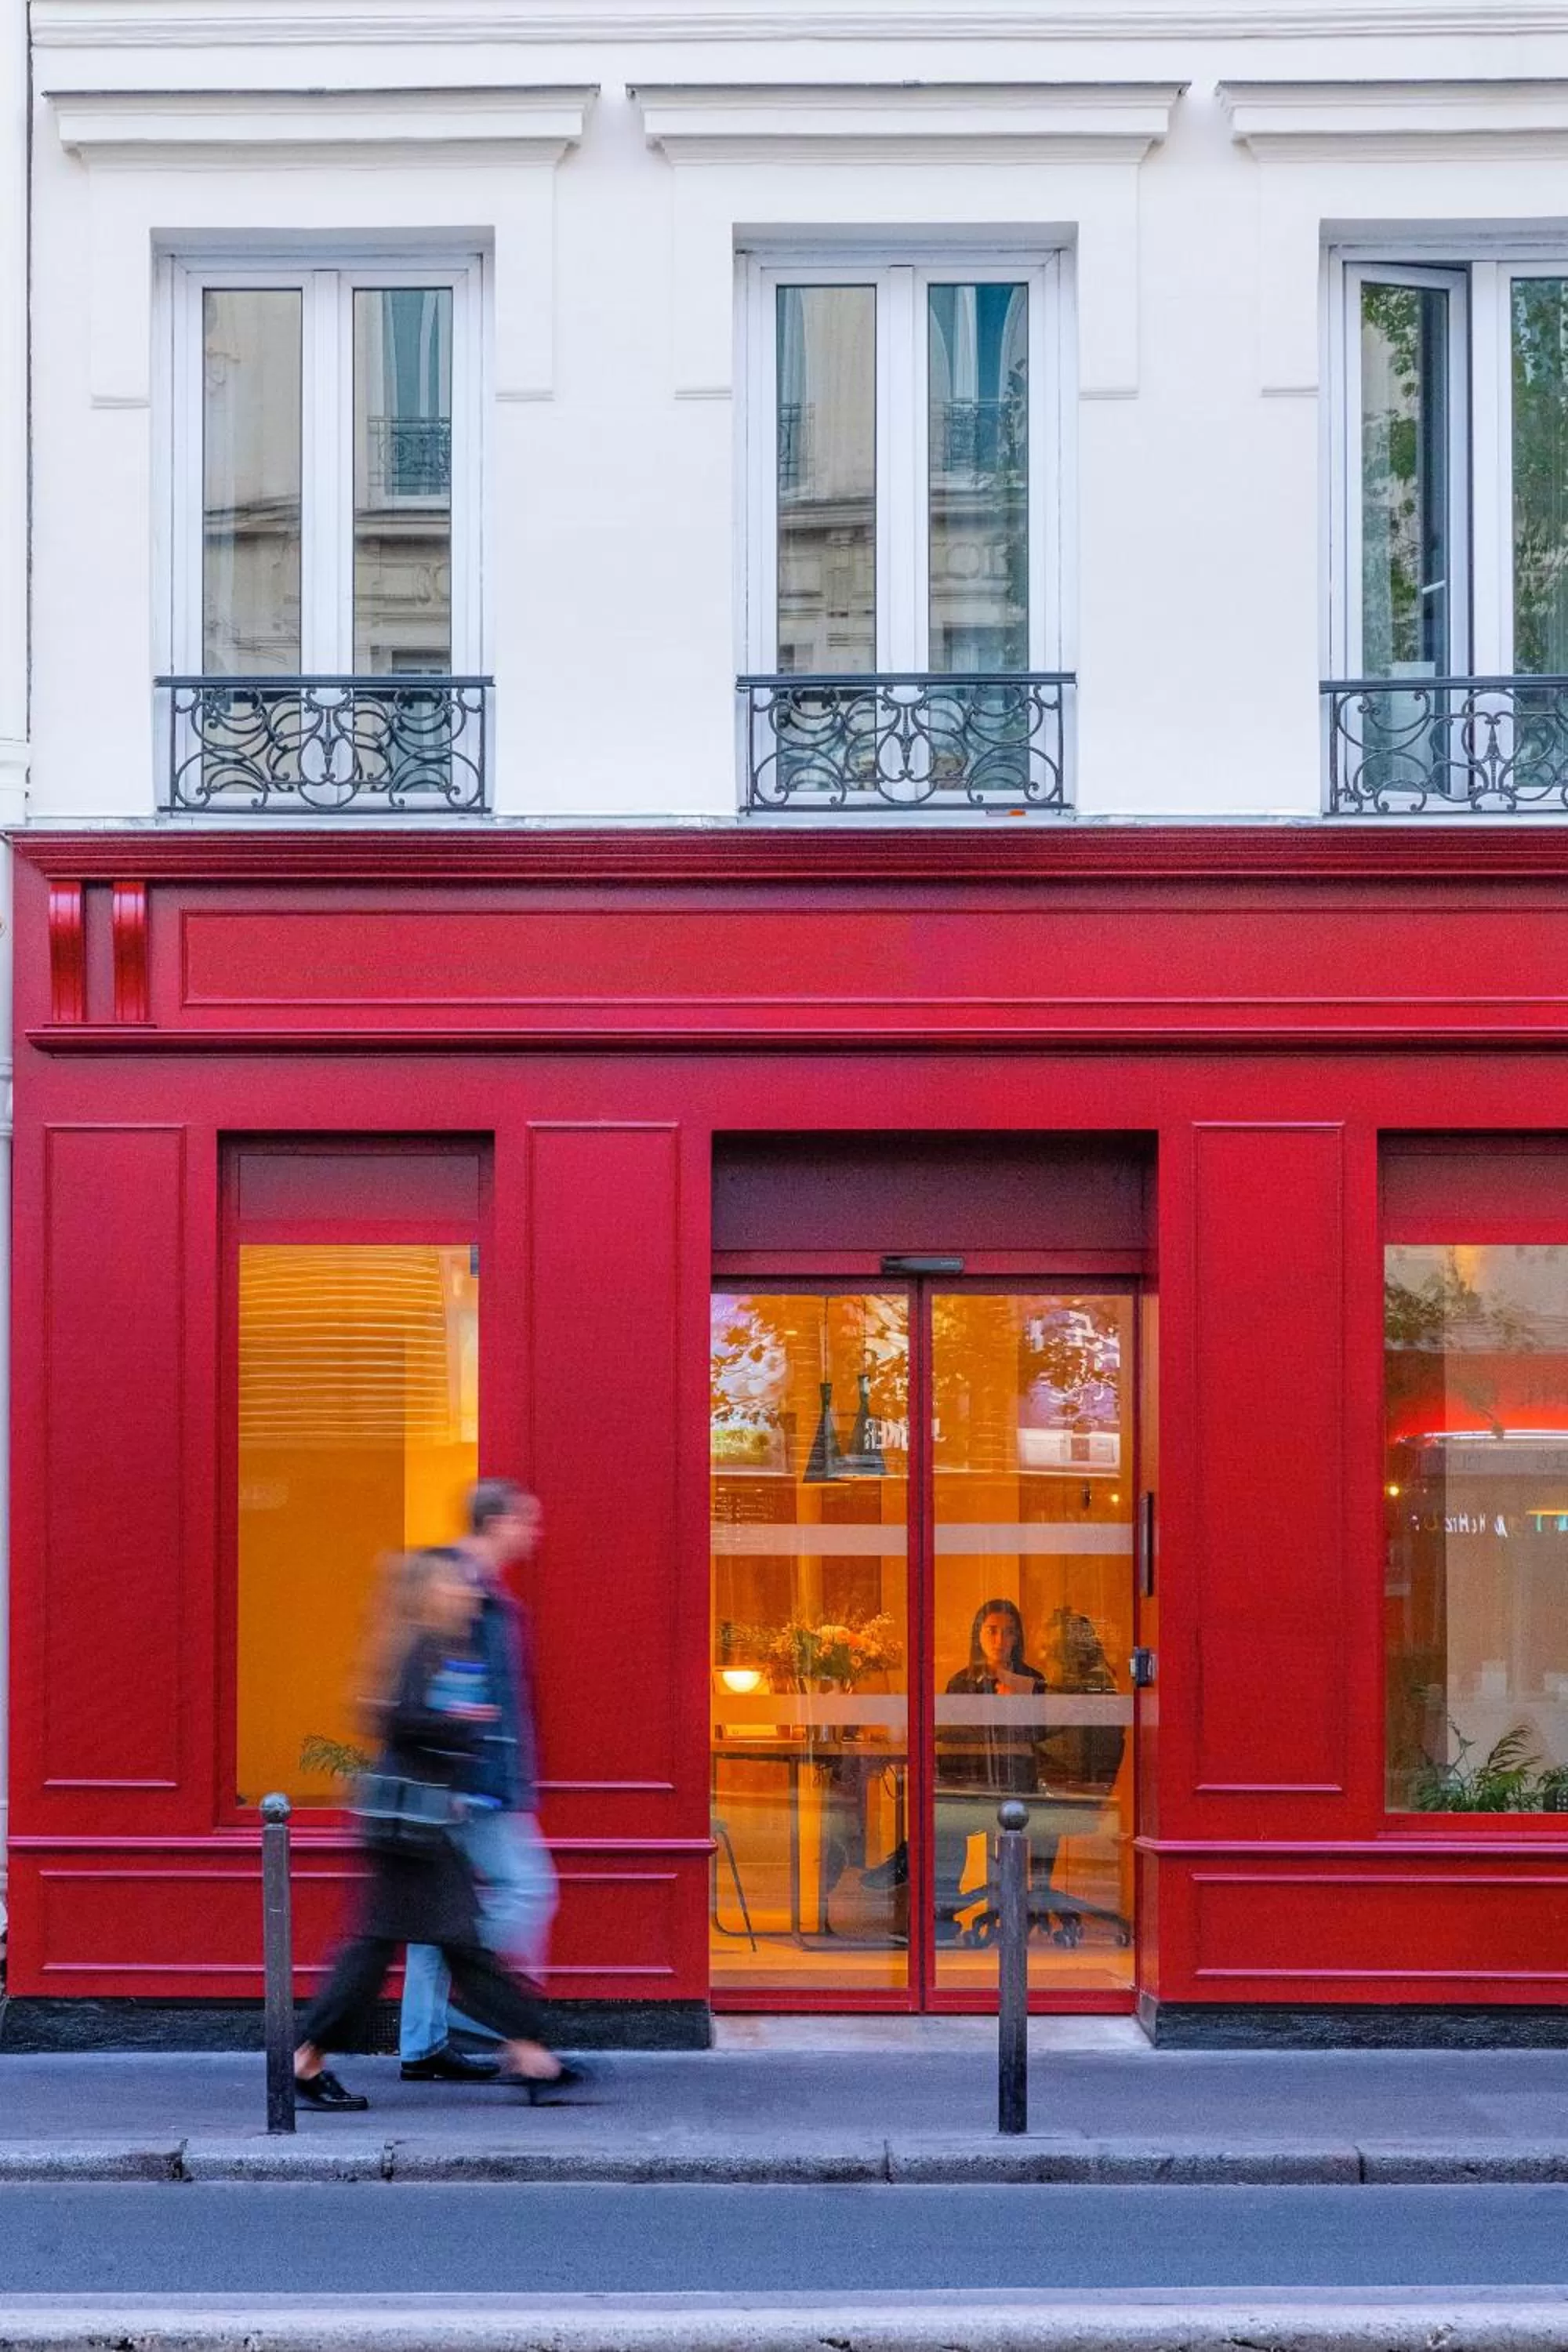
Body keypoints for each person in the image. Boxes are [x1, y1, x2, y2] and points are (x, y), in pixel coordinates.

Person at [292, 1550, 583, 2111]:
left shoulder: (436, 1644)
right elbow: (392, 1718)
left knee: (434, 1942)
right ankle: (307, 2059)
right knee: (416, 1944)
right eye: (456, 1585)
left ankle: (530, 2054)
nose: (468, 1594)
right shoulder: (420, 1644)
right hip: (408, 1828)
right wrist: (461, 1725)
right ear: (431, 1592)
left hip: (418, 1825)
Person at [399, 1479, 558, 2085]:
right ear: (496, 1522)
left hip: (470, 1780)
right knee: (528, 1889)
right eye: (527, 1520)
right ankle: (482, 1999)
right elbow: (449, 1688)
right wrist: (461, 1779)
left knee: (434, 1915)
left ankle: (422, 2043)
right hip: (473, 1786)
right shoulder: (461, 1587)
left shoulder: (483, 1588)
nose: (535, 1533)